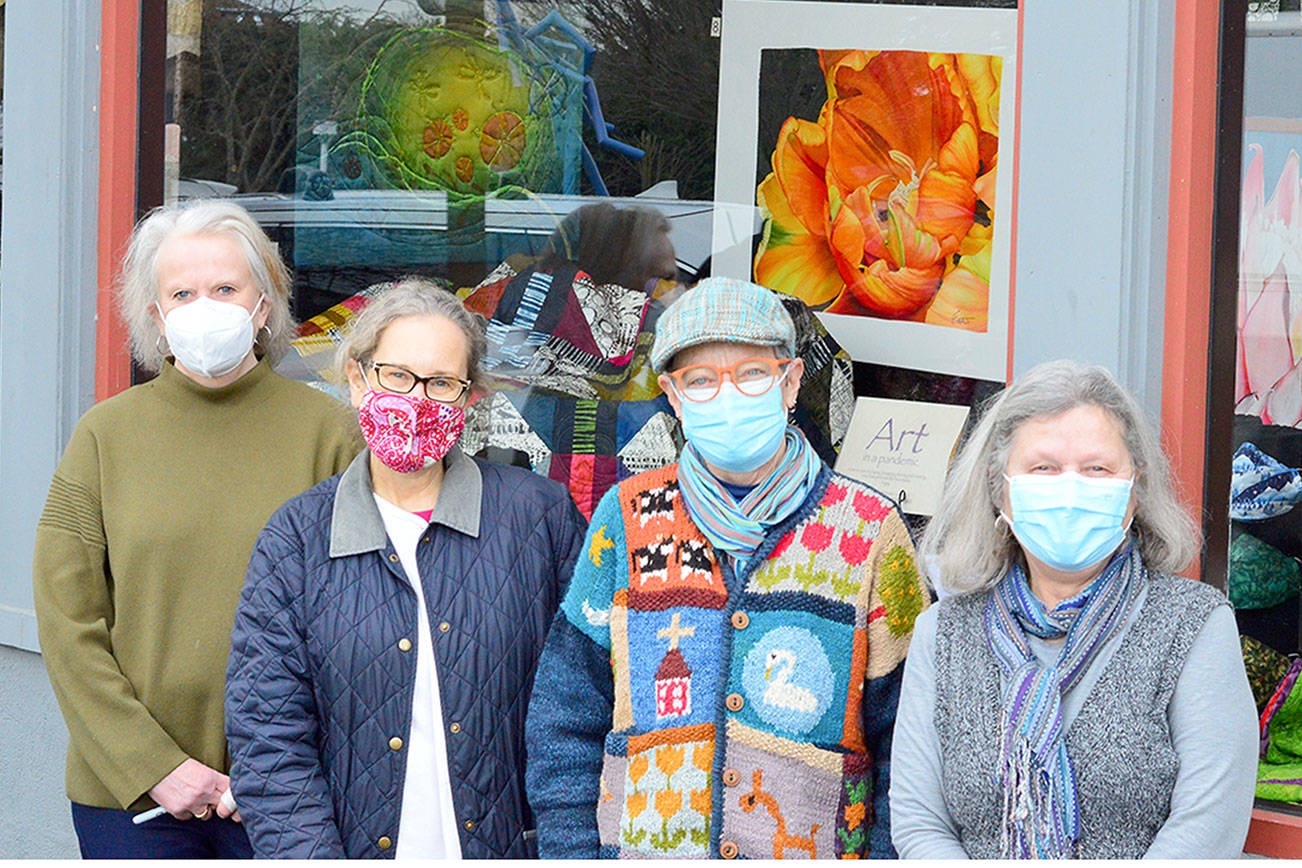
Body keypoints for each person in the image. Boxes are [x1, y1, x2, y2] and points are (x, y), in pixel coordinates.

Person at [525, 277, 929, 859]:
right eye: (701, 381)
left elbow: (908, 744)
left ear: (790, 382)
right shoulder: (627, 516)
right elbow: (567, 713)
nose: (729, 395)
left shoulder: (869, 530)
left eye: (752, 374)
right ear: (672, 395)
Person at [32, 199, 362, 858]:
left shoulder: (331, 433)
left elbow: (359, 616)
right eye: (181, 292)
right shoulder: (105, 436)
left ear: (262, 304)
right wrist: (152, 765)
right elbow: (68, 623)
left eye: (224, 288)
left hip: (290, 791)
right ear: (156, 316)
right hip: (131, 799)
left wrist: (280, 764)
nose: (202, 305)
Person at [225, 277, 588, 858]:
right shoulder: (296, 539)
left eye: (441, 383)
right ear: (357, 377)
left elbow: (584, 706)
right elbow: (269, 741)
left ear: (469, 399)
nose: (417, 399)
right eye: (396, 375)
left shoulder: (537, 519)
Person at [890, 359, 1258, 858]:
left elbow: (1209, 824)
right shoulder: (945, 633)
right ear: (1001, 491)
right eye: (1043, 468)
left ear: (1133, 494)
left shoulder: (1193, 626)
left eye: (1096, 469)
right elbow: (920, 823)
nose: (1070, 488)